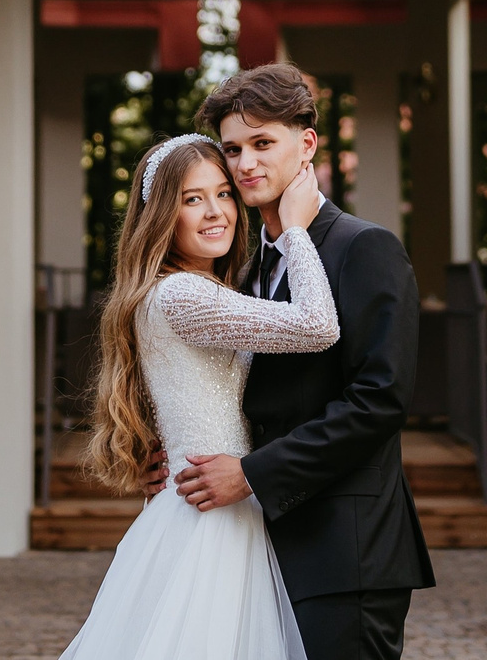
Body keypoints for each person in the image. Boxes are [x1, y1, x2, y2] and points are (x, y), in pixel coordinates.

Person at [175, 62, 434, 660]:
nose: (245, 164)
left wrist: (252, 474)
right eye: (234, 148)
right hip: (258, 544)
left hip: (347, 548)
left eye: (263, 143)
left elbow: (380, 401)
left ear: (306, 143)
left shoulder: (364, 248)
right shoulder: (245, 266)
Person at [59, 130, 337, 660]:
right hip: (211, 520)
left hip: (216, 501)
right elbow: (318, 325)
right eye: (192, 199)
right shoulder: (184, 294)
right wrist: (297, 231)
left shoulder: (198, 290)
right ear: (164, 217)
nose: (216, 212)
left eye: (224, 193)